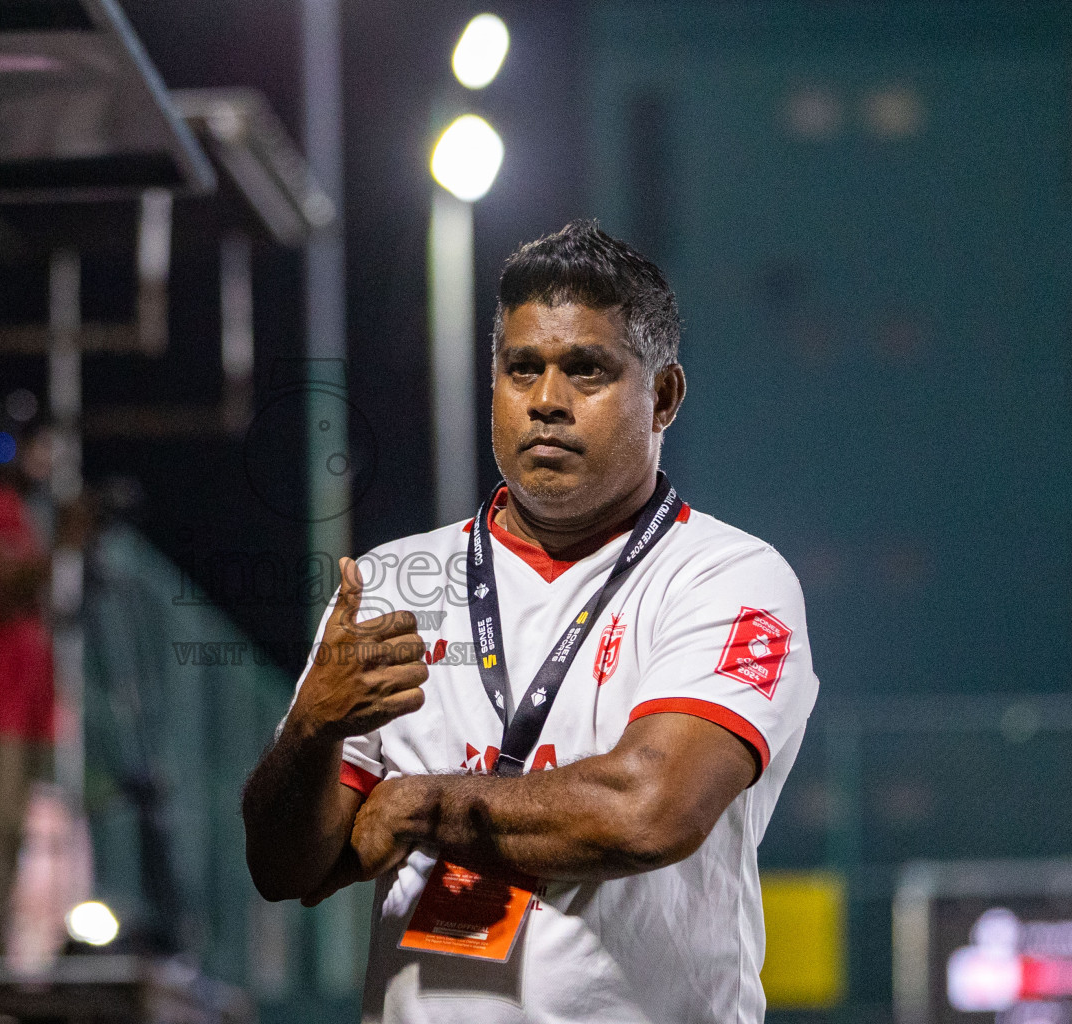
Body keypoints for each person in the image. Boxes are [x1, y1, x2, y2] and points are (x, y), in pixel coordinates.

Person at [242, 221, 819, 1023]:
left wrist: (418, 805)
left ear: (663, 397)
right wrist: (308, 729)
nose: (547, 401)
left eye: (586, 370)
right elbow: (284, 869)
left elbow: (649, 810)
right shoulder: (392, 581)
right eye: (522, 369)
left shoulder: (727, 577)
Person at [0, 429, 58, 956]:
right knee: (0, 826)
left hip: (29, 704)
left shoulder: (23, 514)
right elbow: (6, 589)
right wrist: (62, 548)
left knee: (18, 831)